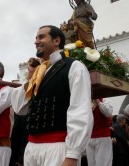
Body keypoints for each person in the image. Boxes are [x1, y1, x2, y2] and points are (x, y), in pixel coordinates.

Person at [17, 25, 93, 166]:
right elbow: (20, 108)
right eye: (36, 38)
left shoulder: (74, 66)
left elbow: (80, 110)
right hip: (32, 148)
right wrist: (30, 79)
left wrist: (73, 154)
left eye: (41, 37)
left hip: (58, 148)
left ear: (56, 41)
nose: (36, 41)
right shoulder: (38, 73)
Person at [86, 98, 113, 166]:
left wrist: (98, 101)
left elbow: (108, 113)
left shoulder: (105, 100)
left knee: (104, 163)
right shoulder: (86, 101)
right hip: (89, 138)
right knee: (91, 164)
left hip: (103, 137)